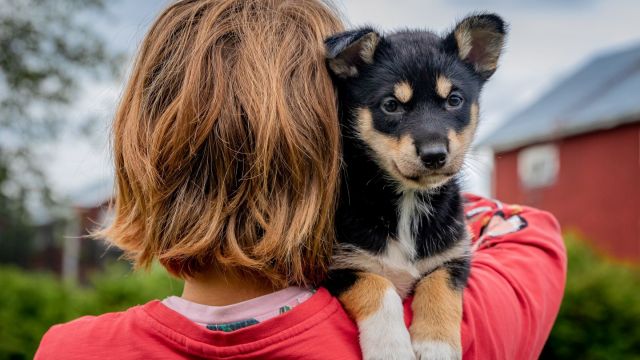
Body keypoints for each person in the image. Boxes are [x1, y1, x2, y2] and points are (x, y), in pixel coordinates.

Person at [35, 0, 566, 359]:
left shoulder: (69, 349)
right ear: (338, 140)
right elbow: (535, 237)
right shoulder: (459, 330)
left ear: (137, 151)